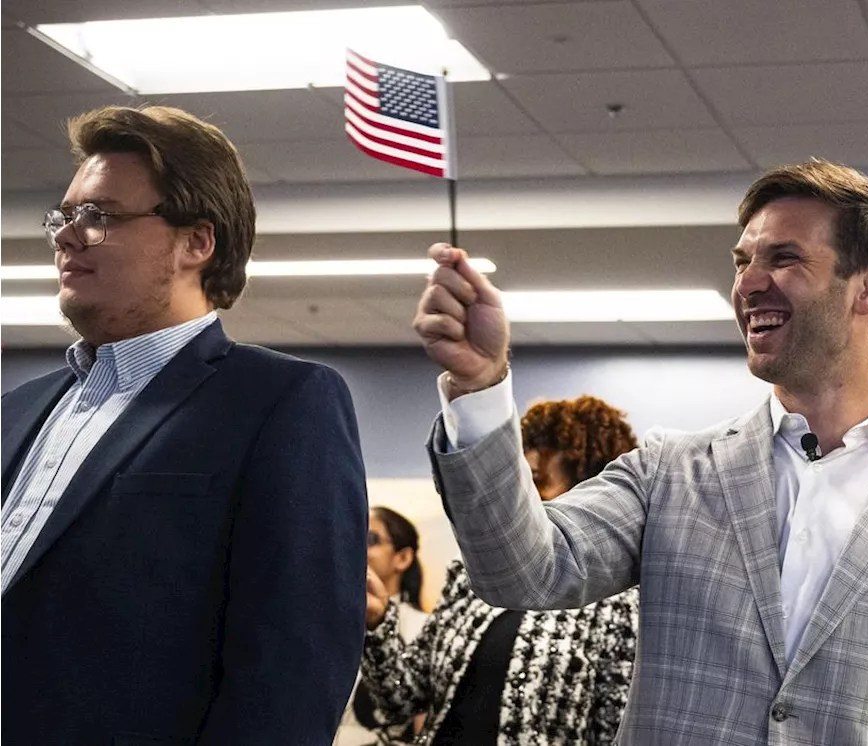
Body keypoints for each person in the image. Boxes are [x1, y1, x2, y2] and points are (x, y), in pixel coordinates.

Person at [412, 159, 868, 743]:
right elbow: (522, 572)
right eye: (742, 261)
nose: (749, 284)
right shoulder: (670, 472)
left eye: (785, 258)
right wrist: (479, 386)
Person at [0, 105, 368, 744]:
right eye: (64, 215)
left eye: (100, 216)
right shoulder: (17, 410)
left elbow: (293, 669)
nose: (65, 235)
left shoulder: (281, 402)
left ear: (196, 242)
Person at [361, 395, 640, 745]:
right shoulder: (470, 578)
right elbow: (400, 701)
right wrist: (377, 622)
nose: (519, 497)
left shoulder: (618, 601)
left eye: (536, 480)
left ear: (587, 490)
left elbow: (613, 731)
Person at [336, 507, 432, 746]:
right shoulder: (322, 621)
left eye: (369, 539)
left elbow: (425, 726)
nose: (356, 546)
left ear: (403, 558)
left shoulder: (424, 628)